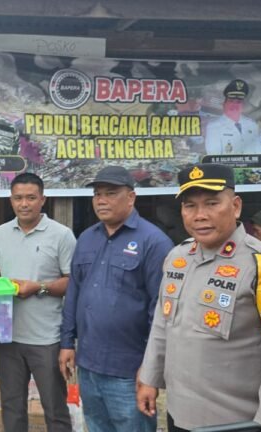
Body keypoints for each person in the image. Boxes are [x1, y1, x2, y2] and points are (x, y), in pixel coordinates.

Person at [136, 163, 261, 432]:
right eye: (190, 206)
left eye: (212, 203)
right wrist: (149, 377)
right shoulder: (178, 257)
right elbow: (163, 321)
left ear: (236, 206)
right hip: (179, 414)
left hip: (235, 422)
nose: (200, 215)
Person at [59, 166, 173, 432]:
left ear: (131, 197)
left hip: (129, 371)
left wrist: (150, 369)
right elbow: (74, 292)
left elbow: (160, 311)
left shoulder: (154, 242)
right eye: (97, 194)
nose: (101, 200)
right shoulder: (87, 238)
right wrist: (66, 342)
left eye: (110, 193)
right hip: (88, 366)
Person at [0, 173, 77, 432]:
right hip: (8, 337)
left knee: (55, 409)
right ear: (11, 200)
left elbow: (73, 283)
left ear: (42, 200)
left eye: (30, 198)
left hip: (46, 338)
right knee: (12, 407)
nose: (24, 204)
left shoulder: (62, 235)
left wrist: (38, 287)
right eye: (18, 198)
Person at [205, 79, 259, 155]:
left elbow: (257, 151)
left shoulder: (252, 125)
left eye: (238, 102)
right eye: (231, 101)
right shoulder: (214, 126)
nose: (235, 105)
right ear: (224, 104)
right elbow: (213, 157)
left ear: (243, 105)